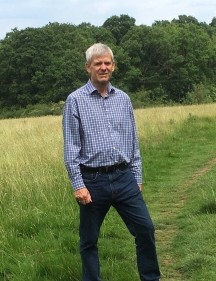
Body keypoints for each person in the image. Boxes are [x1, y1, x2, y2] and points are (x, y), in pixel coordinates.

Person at [62, 43, 160, 281]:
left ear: (113, 66)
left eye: (107, 63)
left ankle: (151, 278)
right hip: (92, 181)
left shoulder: (123, 99)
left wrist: (136, 177)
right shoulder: (75, 100)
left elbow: (132, 141)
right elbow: (71, 147)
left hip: (124, 177)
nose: (103, 67)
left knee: (145, 230)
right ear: (88, 67)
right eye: (98, 64)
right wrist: (78, 184)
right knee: (89, 241)